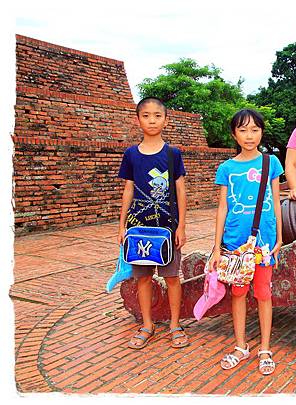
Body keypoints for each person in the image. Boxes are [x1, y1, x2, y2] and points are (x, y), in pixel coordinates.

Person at [208, 109, 283, 375]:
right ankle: (241, 346)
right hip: (235, 243)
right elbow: (222, 208)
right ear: (234, 134)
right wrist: (217, 248)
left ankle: (265, 348)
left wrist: (280, 236)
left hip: (263, 242)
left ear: (262, 132)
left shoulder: (270, 162)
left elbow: (276, 202)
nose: (249, 135)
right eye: (243, 130)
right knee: (238, 294)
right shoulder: (227, 168)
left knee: (263, 294)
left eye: (254, 129)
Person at [117, 97, 189, 349]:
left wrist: (181, 226)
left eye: (157, 115)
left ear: (165, 120)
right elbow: (128, 189)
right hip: (139, 226)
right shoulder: (131, 155)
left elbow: (181, 190)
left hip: (168, 226)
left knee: (171, 277)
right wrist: (121, 225)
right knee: (143, 278)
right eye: (146, 115)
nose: (152, 120)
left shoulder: (172, 154)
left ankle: (175, 325)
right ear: (138, 120)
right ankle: (147, 324)